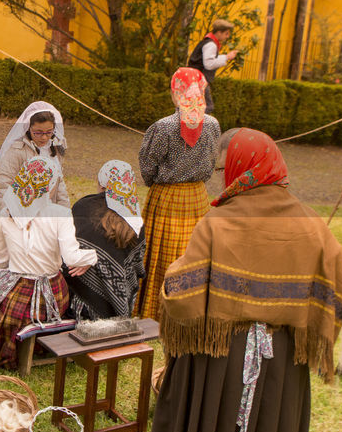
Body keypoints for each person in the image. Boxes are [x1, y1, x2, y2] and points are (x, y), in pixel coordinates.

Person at [142, 129, 342, 432]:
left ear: (239, 169)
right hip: (283, 362)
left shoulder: (219, 221)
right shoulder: (313, 226)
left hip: (222, 356)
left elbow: (180, 293)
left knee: (214, 423)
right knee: (266, 431)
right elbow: (335, 287)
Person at [0, 157, 96, 368]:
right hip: (52, 299)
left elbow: (2, 261)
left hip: (15, 303)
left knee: (0, 289)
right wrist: (93, 256)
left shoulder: (5, 213)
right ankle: (42, 339)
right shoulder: (61, 214)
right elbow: (73, 259)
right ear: (50, 185)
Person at [135, 68, 220, 321]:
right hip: (197, 197)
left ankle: (155, 309)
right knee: (193, 252)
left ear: (175, 93)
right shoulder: (213, 126)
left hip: (167, 197)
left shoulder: (163, 127)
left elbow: (147, 164)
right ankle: (191, 307)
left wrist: (155, 183)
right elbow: (212, 162)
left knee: (163, 254)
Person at [65, 160, 146, 320]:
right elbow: (136, 268)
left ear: (101, 183)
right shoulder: (136, 221)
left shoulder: (83, 206)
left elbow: (67, 254)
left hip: (79, 303)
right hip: (120, 301)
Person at [0, 101, 69, 210]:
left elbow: (60, 187)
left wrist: (65, 214)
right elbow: (5, 184)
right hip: (21, 210)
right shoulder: (17, 150)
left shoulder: (54, 148)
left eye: (49, 132)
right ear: (29, 128)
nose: (44, 137)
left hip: (47, 212)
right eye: (38, 133)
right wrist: (7, 215)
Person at [186, 19, 238, 113]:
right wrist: (227, 57)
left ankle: (191, 124)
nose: (227, 36)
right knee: (207, 107)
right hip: (199, 80)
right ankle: (195, 126)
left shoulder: (208, 42)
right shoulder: (211, 45)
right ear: (219, 32)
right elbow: (209, 64)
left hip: (195, 79)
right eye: (226, 33)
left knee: (194, 105)